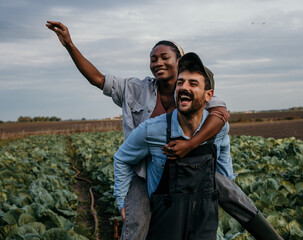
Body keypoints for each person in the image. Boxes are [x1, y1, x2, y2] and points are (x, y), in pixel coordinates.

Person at [46, 21, 282, 240]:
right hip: (145, 170)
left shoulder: (198, 90)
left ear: (180, 61)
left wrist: (193, 149)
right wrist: (69, 45)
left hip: (188, 166)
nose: (157, 62)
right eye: (153, 59)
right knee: (136, 224)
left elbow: (220, 117)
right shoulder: (135, 90)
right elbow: (98, 78)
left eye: (164, 57)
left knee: (227, 197)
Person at [114, 52, 232, 239]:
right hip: (165, 222)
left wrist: (227, 189)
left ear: (209, 95)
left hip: (203, 220)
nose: (184, 88)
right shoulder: (152, 130)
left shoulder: (218, 128)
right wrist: (122, 201)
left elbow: (223, 155)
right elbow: (121, 158)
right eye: (180, 82)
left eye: (193, 84)